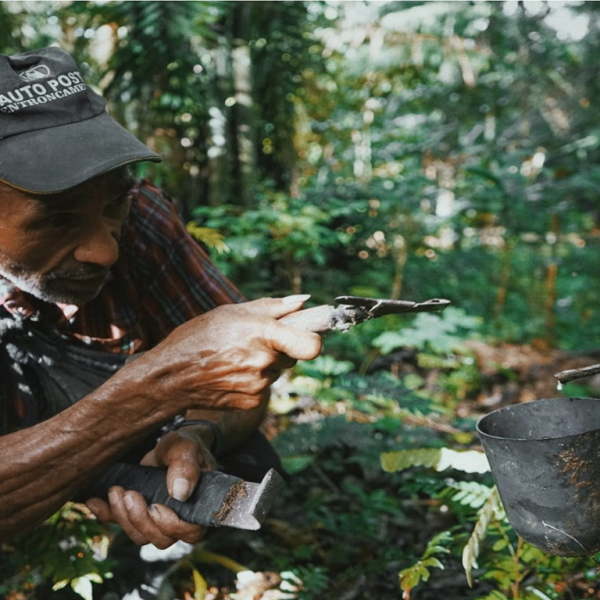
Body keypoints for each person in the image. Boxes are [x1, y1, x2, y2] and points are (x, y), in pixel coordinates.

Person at [0, 46, 322, 549]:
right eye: (57, 220)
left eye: (114, 204)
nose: (105, 251)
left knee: (233, 468)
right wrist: (149, 388)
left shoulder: (143, 222)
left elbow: (238, 381)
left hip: (112, 451)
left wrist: (198, 433)